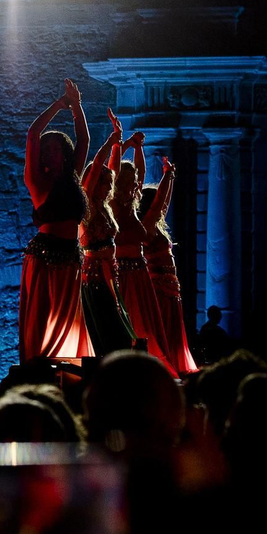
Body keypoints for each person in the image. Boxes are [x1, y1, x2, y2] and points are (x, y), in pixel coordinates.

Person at [19, 79, 92, 360]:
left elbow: (84, 140)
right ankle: (34, 369)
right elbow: (32, 134)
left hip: (71, 257)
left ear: (65, 152)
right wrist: (59, 105)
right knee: (42, 319)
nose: (50, 153)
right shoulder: (36, 181)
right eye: (46, 149)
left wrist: (77, 107)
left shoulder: (72, 178)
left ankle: (64, 369)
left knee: (68, 319)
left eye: (55, 148)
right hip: (45, 257)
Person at [110, 123, 176, 376]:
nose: (133, 185)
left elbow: (145, 178)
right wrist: (125, 145)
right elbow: (113, 168)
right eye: (127, 181)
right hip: (123, 275)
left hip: (139, 276)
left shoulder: (133, 209)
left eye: (133, 181)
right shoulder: (114, 206)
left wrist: (138, 149)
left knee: (147, 328)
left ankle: (149, 369)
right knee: (130, 326)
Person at [79, 114, 136, 356]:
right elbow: (96, 169)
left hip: (109, 274)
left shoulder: (104, 207)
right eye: (105, 184)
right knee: (107, 326)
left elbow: (113, 169)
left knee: (118, 325)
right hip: (95, 276)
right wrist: (110, 142)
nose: (109, 188)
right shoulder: (88, 207)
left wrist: (118, 144)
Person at [138, 157, 200, 375]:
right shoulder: (145, 228)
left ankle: (173, 365)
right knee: (163, 329)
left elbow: (162, 205)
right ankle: (163, 370)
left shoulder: (155, 226)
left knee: (172, 329)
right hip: (159, 289)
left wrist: (170, 177)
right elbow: (159, 204)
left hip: (171, 289)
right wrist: (166, 176)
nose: (162, 208)